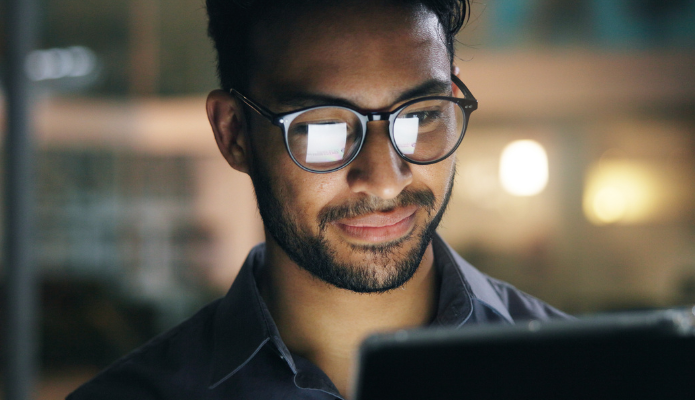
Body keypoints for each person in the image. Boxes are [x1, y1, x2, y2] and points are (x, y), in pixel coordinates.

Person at [69, 0, 567, 398]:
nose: (385, 180)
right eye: (325, 128)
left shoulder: (590, 374)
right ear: (233, 133)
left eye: (420, 115)